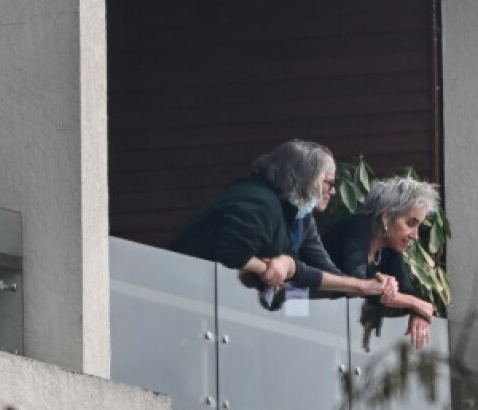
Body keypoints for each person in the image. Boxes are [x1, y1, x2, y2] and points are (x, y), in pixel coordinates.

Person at [170, 140, 391, 299]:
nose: (333, 191)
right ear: (307, 178)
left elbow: (315, 275)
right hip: (189, 294)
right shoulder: (260, 204)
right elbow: (232, 253)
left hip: (231, 301)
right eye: (329, 183)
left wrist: (362, 287)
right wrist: (274, 267)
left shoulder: (295, 215)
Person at [323, 176, 439, 348]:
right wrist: (415, 304)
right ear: (386, 218)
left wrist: (420, 314)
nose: (415, 235)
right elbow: (359, 287)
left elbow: (408, 290)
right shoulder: (358, 227)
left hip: (335, 327)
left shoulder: (389, 248)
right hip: (300, 310)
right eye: (410, 223)